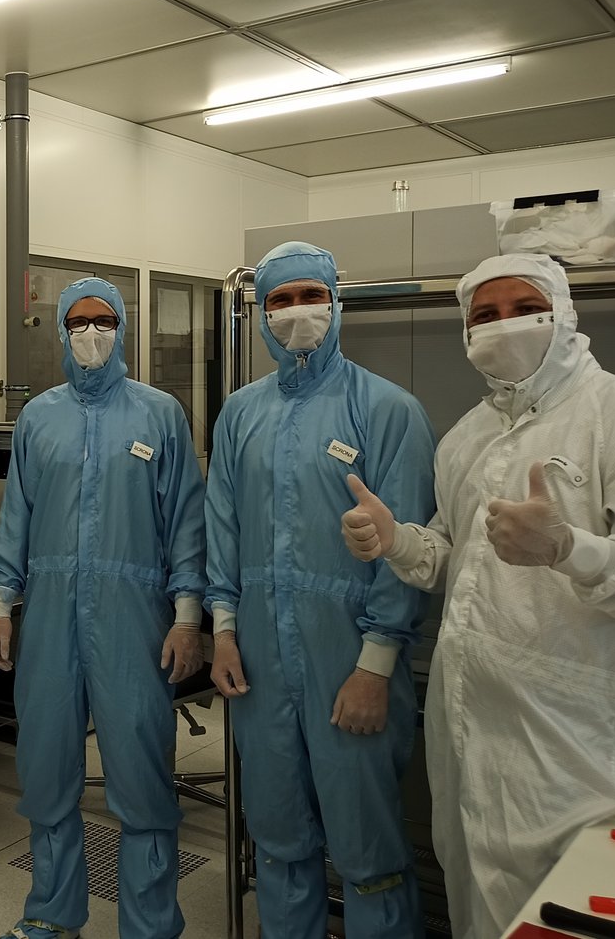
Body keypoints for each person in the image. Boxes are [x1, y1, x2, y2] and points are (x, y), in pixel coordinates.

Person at [340, 251, 615, 939]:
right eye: (484, 315)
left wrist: (574, 550)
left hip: (584, 745)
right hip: (472, 728)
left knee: (570, 913)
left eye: (524, 309)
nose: (504, 327)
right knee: (478, 901)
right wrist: (398, 542)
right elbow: (455, 558)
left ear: (564, 316)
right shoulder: (468, 437)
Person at [205, 241, 436, 939]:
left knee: (370, 853)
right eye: (279, 299)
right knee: (278, 841)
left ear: (336, 303)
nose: (296, 312)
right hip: (258, 670)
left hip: (352, 664)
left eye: (310, 295)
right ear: (261, 310)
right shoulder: (240, 414)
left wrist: (375, 666)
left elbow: (409, 549)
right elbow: (223, 529)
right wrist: (220, 629)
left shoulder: (389, 410)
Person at [0, 277, 207, 939]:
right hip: (48, 617)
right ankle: (53, 916)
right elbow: (16, 516)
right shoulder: (38, 417)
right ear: (60, 331)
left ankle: (151, 925)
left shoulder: (159, 413)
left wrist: (187, 616)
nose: (91, 332)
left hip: (134, 616)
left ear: (123, 328)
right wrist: (2, 605)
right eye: (78, 322)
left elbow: (185, 523)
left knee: (141, 779)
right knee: (47, 771)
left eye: (103, 320)